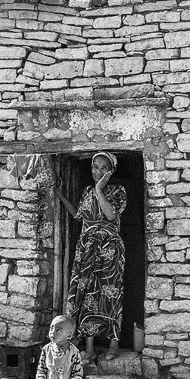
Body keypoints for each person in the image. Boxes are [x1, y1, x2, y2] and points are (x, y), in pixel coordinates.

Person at [54, 151, 127, 363]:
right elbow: (79, 215)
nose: (98, 171)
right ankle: (89, 349)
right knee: (87, 295)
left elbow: (111, 215)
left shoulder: (117, 191)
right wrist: (60, 196)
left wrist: (99, 189)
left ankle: (113, 343)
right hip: (86, 249)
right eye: (95, 167)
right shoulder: (87, 191)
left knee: (109, 295)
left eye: (103, 168)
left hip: (109, 250)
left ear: (111, 171)